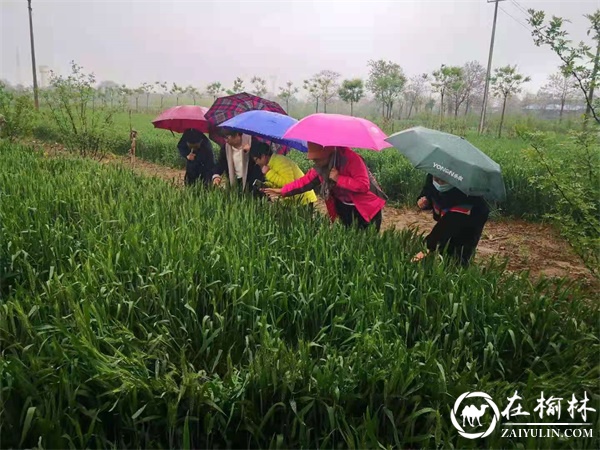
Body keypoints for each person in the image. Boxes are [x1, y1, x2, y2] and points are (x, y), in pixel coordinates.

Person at [262, 142, 386, 231]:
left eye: (317, 159)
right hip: (344, 207)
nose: (315, 163)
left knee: (367, 242)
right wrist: (283, 191)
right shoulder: (322, 168)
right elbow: (305, 182)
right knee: (351, 239)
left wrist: (339, 178)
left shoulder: (351, 159)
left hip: (366, 209)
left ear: (328, 155)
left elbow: (363, 185)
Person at [412, 173, 489, 267]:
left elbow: (445, 226)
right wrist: (424, 199)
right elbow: (428, 190)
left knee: (459, 253)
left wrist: (426, 248)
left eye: (443, 181)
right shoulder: (434, 173)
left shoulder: (466, 193)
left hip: (470, 220)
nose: (439, 183)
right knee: (444, 248)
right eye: (436, 179)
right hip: (449, 216)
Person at [249, 141, 317, 205]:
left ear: (263, 156)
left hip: (304, 199)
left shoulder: (280, 162)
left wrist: (269, 173)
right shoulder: (270, 164)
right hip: (294, 199)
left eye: (256, 160)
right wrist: (267, 186)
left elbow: (288, 183)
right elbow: (278, 183)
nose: (256, 163)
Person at [212, 130, 264, 195]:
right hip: (235, 181)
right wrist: (216, 176)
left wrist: (251, 151)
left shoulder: (252, 142)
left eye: (227, 137)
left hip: (251, 181)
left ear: (237, 135)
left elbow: (260, 160)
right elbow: (221, 163)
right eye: (224, 138)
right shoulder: (226, 148)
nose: (226, 140)